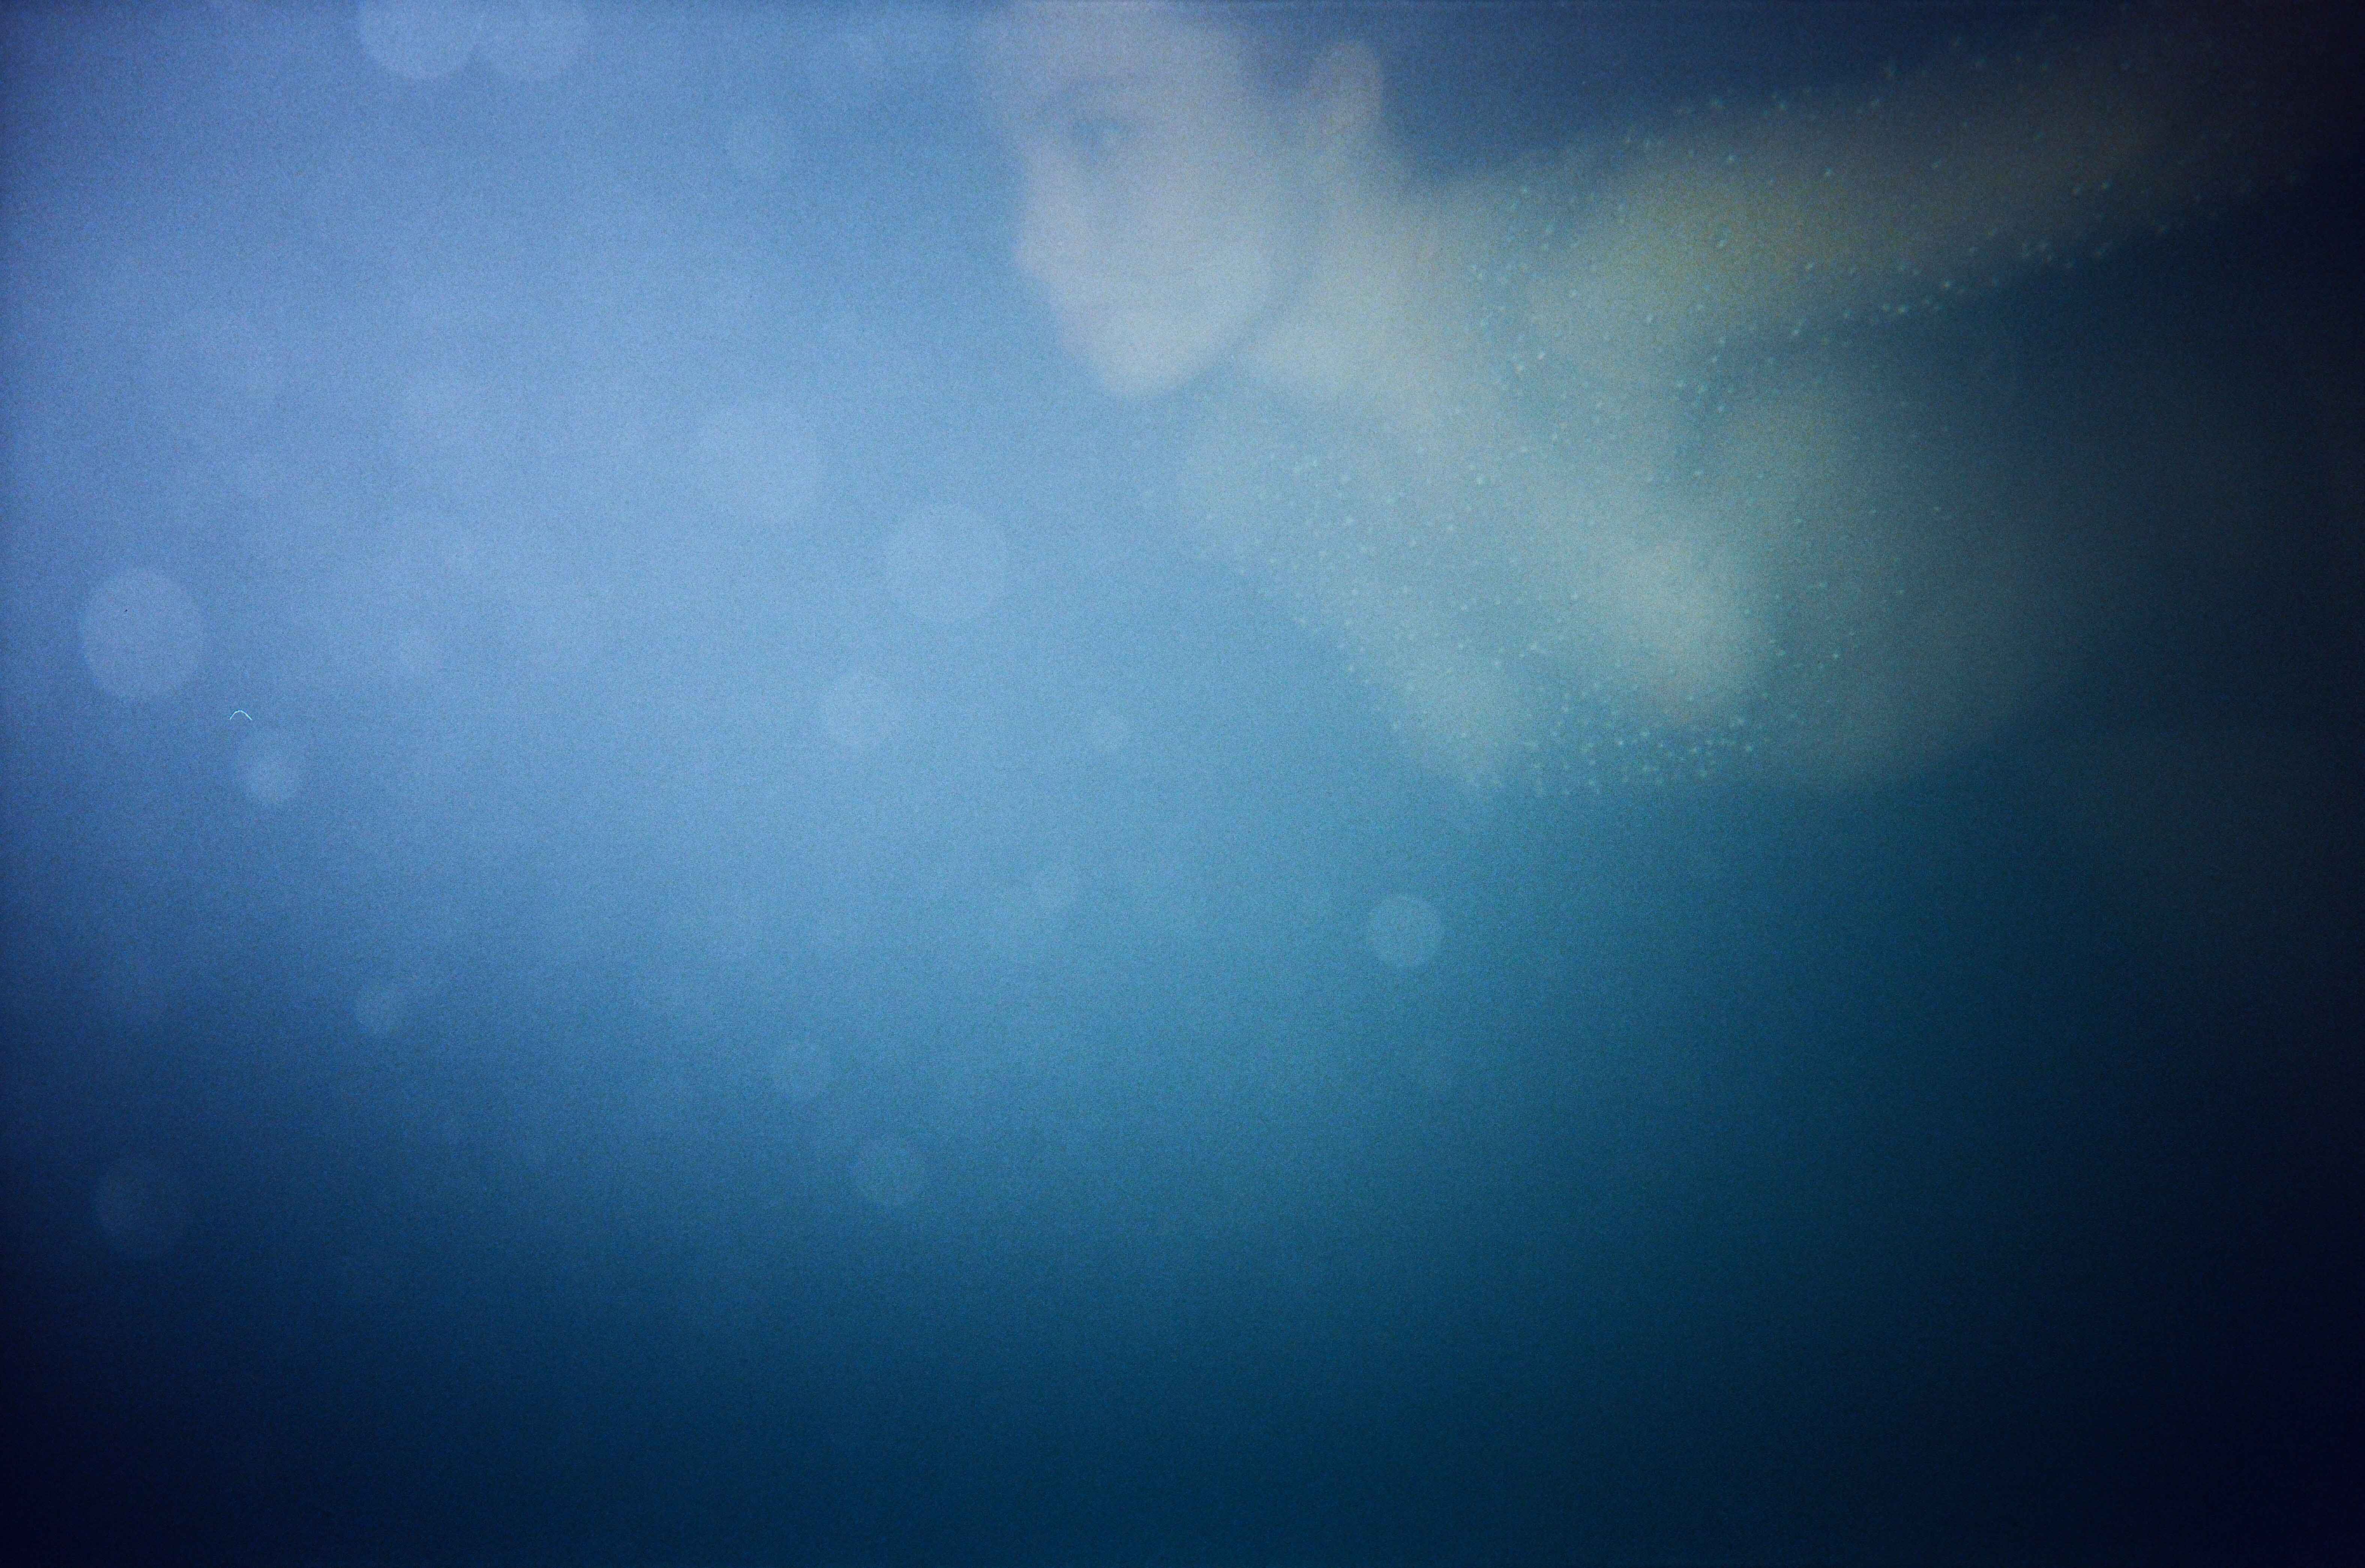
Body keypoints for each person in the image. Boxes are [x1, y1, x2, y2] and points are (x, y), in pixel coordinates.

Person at [975, 1, 2359, 794]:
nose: (1030, 245)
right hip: (2149, 758)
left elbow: (2153, 119)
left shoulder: (1602, 269)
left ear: (1329, 102)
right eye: (1009, 165)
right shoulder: (1249, 484)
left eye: (1100, 135)